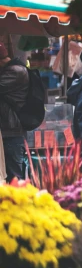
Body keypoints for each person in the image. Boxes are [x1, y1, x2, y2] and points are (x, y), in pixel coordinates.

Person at [0, 44, 30, 180]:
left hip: (11, 133)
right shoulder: (8, 71)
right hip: (6, 133)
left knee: (14, 179)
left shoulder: (16, 72)